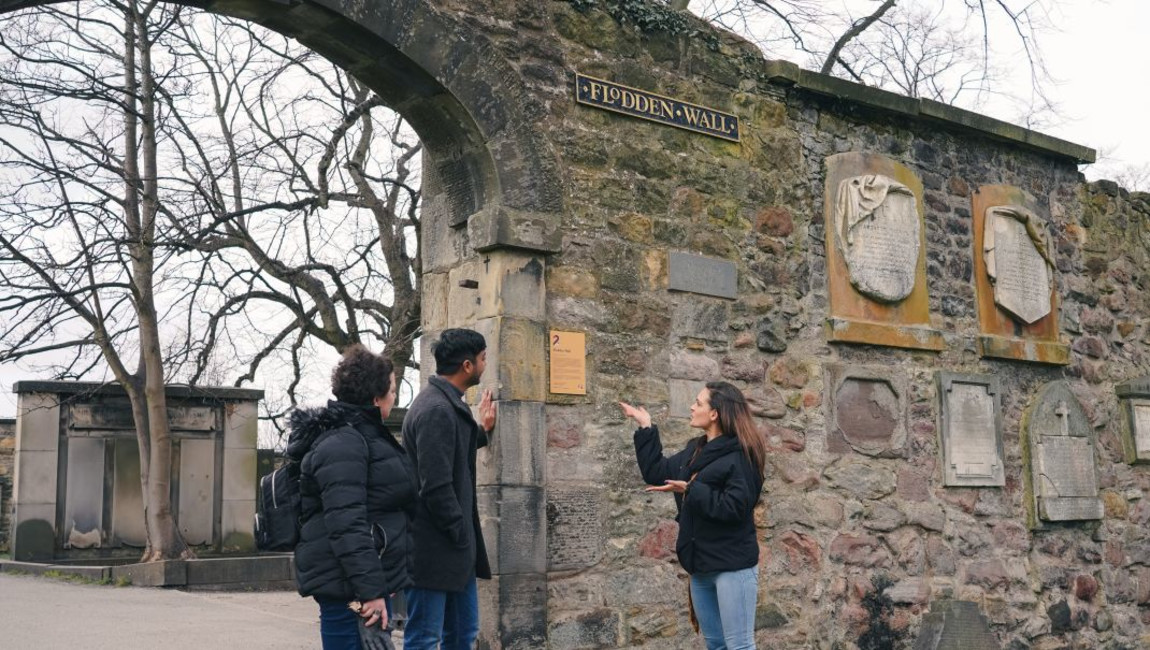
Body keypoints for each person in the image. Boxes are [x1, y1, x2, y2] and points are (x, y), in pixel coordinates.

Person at [621, 381, 768, 650]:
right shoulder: (694, 450)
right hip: (700, 565)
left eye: (698, 403)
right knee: (715, 645)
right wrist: (645, 426)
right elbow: (657, 471)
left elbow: (734, 508)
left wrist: (691, 489)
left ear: (715, 413)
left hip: (732, 567)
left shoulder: (742, 455)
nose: (691, 407)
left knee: (739, 646)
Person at [288, 345, 416, 650]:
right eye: (393, 390)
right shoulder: (345, 443)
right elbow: (347, 524)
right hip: (352, 592)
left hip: (361, 585)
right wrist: (371, 593)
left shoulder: (359, 436)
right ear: (375, 398)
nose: (395, 397)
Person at [402, 328, 497, 650]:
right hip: (434, 550)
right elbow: (436, 485)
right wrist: (459, 532)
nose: (486, 365)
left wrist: (482, 430)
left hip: (453, 552)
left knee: (462, 635)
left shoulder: (446, 405)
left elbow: (449, 457)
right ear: (467, 365)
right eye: (483, 359)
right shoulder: (436, 410)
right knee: (425, 639)